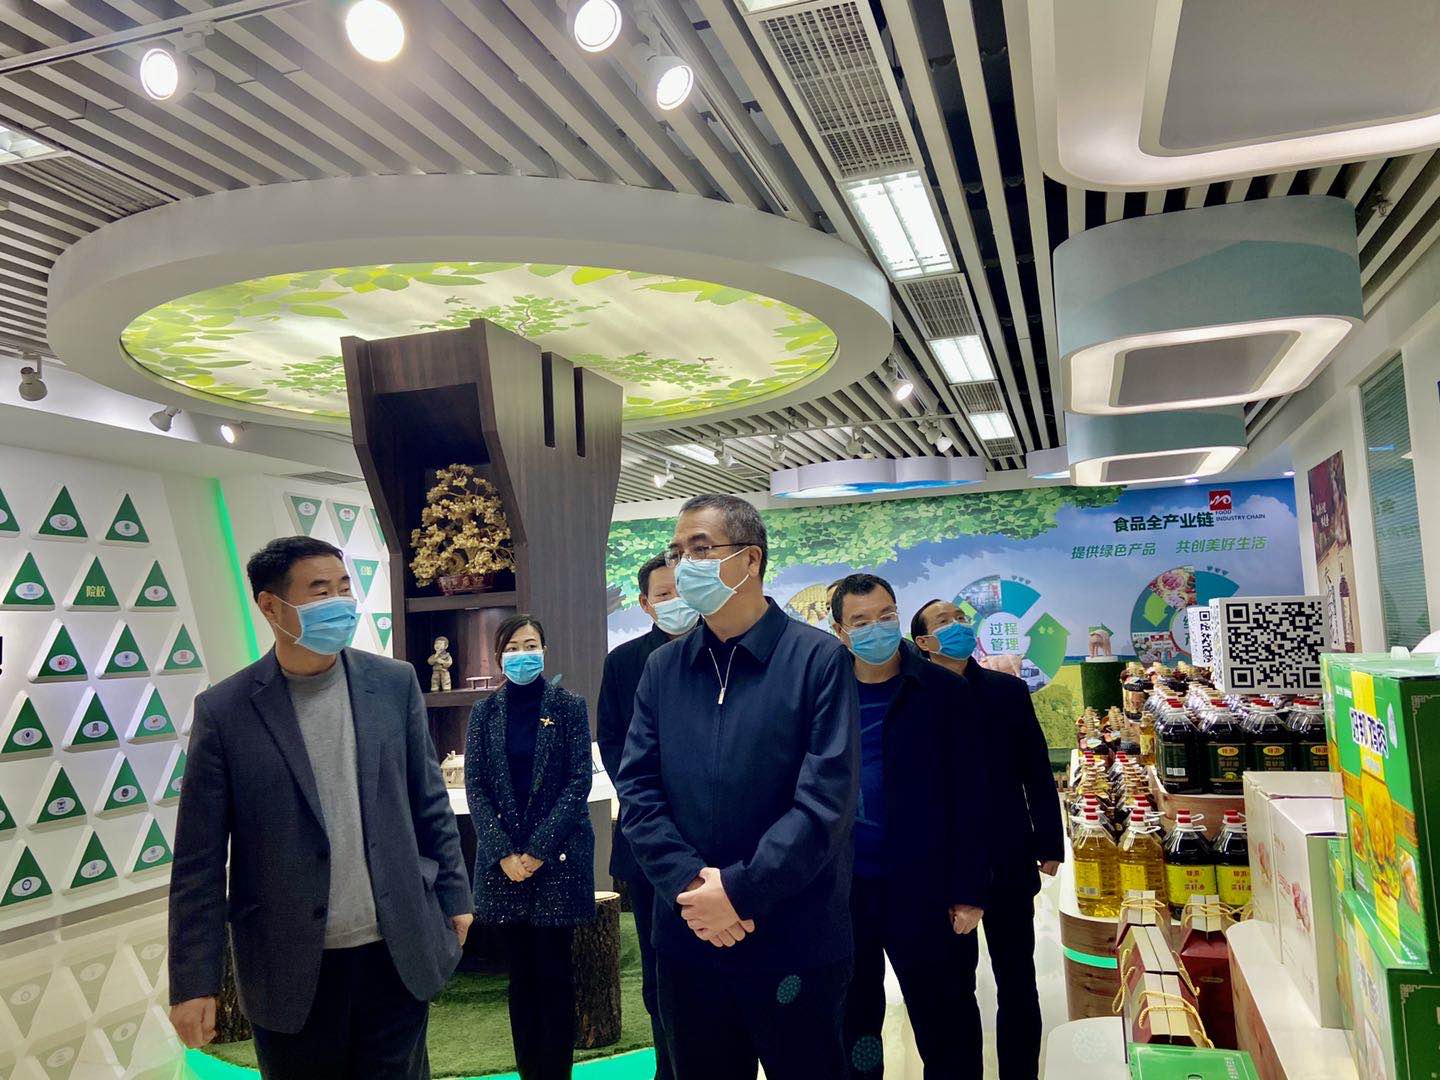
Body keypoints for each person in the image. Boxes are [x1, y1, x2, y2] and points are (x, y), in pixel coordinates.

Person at [168, 536, 471, 1080]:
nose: (339, 602)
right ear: (271, 606)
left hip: (394, 950)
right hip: (288, 963)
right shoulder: (225, 711)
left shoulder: (393, 683)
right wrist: (194, 982)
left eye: (344, 587)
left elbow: (428, 802)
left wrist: (455, 896)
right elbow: (199, 859)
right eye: (319, 590)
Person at [616, 493, 859, 1080]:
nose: (684, 565)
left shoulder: (818, 659)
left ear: (750, 560)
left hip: (795, 938)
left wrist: (740, 892)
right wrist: (692, 886)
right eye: (677, 552)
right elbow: (639, 791)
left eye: (700, 549)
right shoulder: (663, 669)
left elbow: (824, 802)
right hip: (689, 937)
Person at [830, 575, 990, 1078]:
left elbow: (972, 794)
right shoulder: (824, 693)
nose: (876, 628)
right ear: (840, 631)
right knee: (853, 1022)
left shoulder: (942, 690)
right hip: (846, 890)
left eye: (885, 616)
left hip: (925, 888)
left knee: (946, 1021)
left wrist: (969, 889)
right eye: (860, 621)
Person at [911, 599, 1065, 1080]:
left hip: (1007, 851)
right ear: (923, 642)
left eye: (960, 618)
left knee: (1017, 979)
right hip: (944, 863)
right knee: (953, 988)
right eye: (943, 622)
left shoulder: (1006, 691)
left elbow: (1036, 769)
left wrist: (1049, 841)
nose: (957, 625)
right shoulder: (913, 696)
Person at [466, 615, 596, 1080]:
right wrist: (504, 852)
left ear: (545, 650)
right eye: (513, 647)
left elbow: (578, 781)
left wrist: (538, 849)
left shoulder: (569, 707)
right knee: (521, 979)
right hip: (505, 866)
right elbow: (476, 787)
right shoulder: (484, 712)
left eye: (531, 645)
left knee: (555, 977)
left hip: (557, 862)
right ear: (499, 657)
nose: (523, 654)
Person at [596, 554, 699, 1080]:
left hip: (717, 842)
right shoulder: (625, 662)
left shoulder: (723, 650)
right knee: (660, 974)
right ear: (645, 603)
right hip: (648, 840)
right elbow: (613, 741)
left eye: (681, 589)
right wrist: (651, 805)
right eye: (663, 594)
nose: (675, 601)